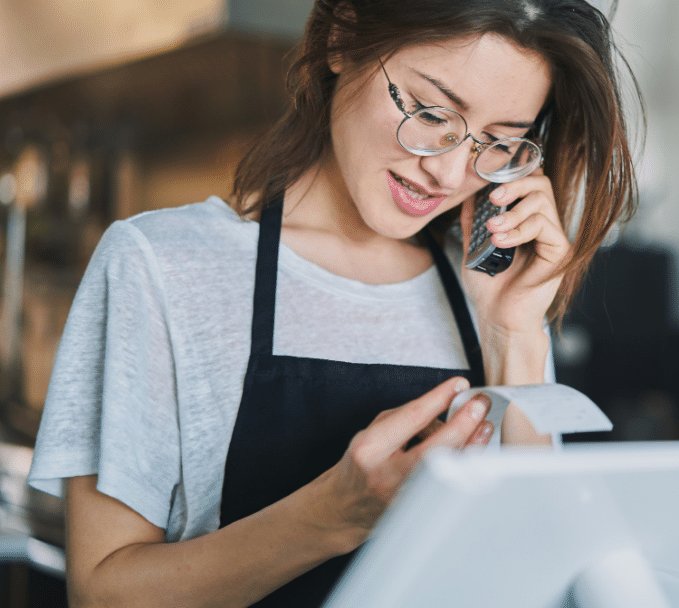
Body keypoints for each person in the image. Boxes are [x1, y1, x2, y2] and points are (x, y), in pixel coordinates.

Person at [28, 0, 640, 605]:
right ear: (342, 39)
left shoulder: (496, 294)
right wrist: (330, 517)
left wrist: (516, 339)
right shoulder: (161, 264)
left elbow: (538, 575)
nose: (451, 174)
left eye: (500, 142)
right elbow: (103, 594)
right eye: (431, 113)